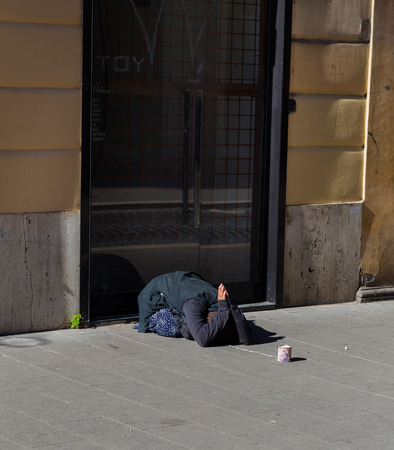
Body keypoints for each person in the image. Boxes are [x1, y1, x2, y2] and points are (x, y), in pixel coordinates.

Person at [136, 271, 251, 347]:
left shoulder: (221, 303)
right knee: (178, 327)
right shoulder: (193, 304)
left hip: (186, 284)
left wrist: (230, 304)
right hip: (156, 293)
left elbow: (245, 338)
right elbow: (202, 339)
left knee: (191, 328)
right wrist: (224, 311)